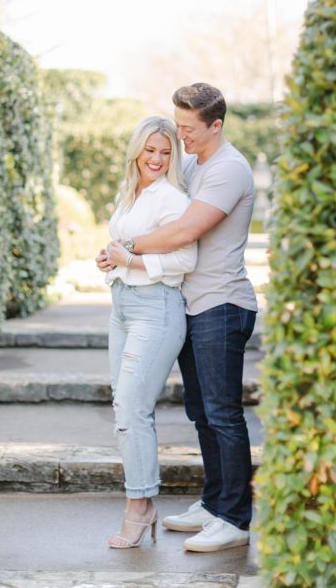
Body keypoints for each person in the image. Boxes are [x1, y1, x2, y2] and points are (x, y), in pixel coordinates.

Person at [99, 83, 258, 553]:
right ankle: (213, 504)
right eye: (178, 125)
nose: (180, 135)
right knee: (200, 412)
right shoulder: (192, 160)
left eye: (188, 128)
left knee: (223, 413)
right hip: (189, 303)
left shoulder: (229, 168)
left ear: (216, 126)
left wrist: (125, 250)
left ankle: (234, 517)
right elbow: (157, 187)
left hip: (221, 303)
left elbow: (186, 231)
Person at [101, 116, 197, 549]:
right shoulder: (130, 194)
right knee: (123, 407)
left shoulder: (172, 199)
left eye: (165, 152)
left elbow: (184, 260)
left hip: (156, 308)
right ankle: (142, 504)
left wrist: (129, 261)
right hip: (121, 305)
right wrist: (110, 259)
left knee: (131, 407)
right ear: (136, 151)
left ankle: (139, 507)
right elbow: (122, 247)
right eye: (150, 150)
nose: (156, 159)